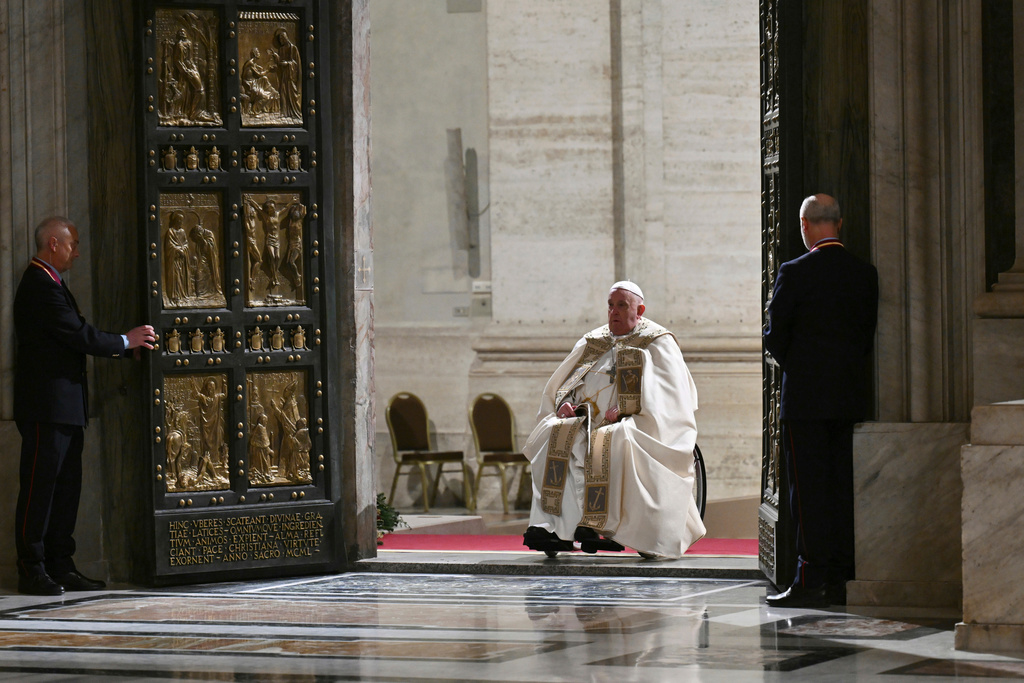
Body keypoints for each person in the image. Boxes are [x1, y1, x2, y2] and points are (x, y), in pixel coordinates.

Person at [13, 216, 156, 596]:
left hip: (65, 407)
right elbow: (76, 335)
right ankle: (32, 567)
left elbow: (69, 340)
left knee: (66, 490)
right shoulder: (38, 284)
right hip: (46, 408)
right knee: (40, 489)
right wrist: (125, 342)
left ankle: (61, 564)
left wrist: (127, 350)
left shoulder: (52, 282)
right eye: (73, 244)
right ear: (54, 245)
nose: (77, 252)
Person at [522, 281, 705, 559]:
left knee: (614, 439)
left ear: (639, 309)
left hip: (636, 423)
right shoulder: (594, 340)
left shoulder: (657, 341)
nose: (614, 312)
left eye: (622, 305)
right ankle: (553, 529)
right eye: (610, 305)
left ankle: (601, 527)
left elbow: (672, 397)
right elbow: (564, 384)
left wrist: (629, 409)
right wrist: (564, 404)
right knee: (554, 432)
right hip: (585, 421)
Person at [763, 194, 879, 608]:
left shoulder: (795, 271)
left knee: (809, 492)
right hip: (849, 397)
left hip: (807, 402)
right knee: (844, 487)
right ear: (840, 223)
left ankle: (811, 579)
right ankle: (844, 577)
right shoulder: (865, 274)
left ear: (804, 225)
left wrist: (804, 368)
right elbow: (866, 337)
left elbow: (774, 336)